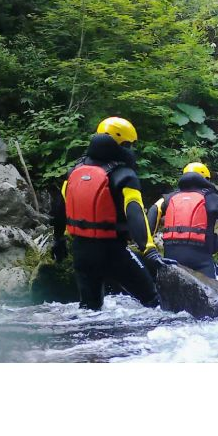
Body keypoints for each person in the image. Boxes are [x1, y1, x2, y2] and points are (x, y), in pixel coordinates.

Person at [51, 116, 166, 310]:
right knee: (154, 302)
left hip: (81, 252)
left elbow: (60, 208)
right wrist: (149, 249)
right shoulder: (125, 175)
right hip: (113, 252)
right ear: (120, 144)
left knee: (89, 308)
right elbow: (135, 212)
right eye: (128, 145)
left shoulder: (74, 171)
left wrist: (58, 239)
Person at [147, 162, 218, 278]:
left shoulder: (169, 198)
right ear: (205, 179)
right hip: (201, 261)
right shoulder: (213, 199)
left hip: (171, 256)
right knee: (213, 294)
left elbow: (153, 211)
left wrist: (147, 245)